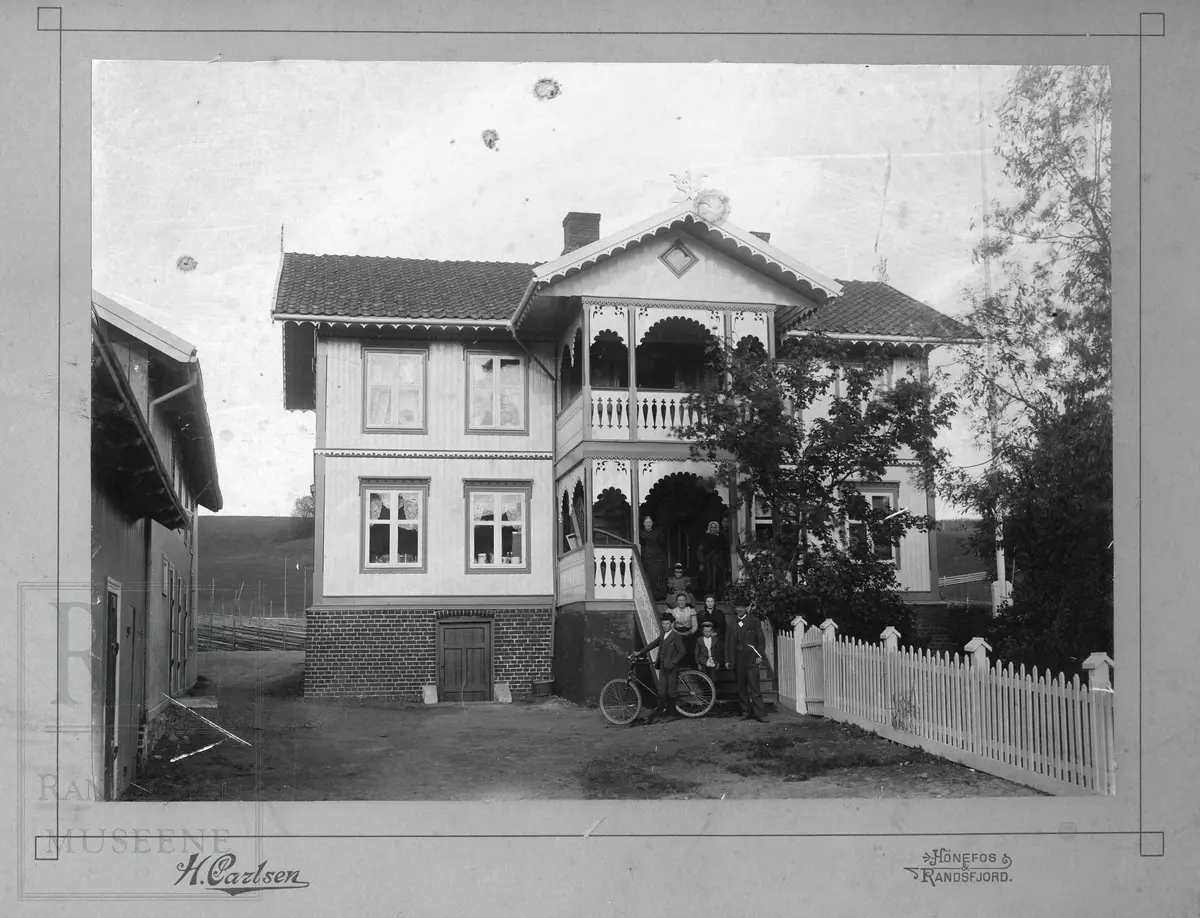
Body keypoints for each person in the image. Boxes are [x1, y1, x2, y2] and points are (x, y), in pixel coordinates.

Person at [633, 610, 689, 723]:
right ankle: (662, 714)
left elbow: (682, 652)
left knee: (671, 691)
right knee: (661, 691)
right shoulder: (663, 634)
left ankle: (673, 714)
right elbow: (653, 644)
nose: (665, 626)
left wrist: (673, 662)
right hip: (663, 666)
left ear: (671, 624)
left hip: (672, 667)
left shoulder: (676, 636)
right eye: (663, 624)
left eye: (667, 623)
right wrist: (640, 652)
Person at [729, 604, 767, 722]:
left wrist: (759, 655)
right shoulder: (732, 622)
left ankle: (759, 713)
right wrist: (728, 659)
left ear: (746, 608)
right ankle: (745, 711)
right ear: (735, 608)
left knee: (754, 686)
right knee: (741, 687)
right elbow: (728, 642)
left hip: (751, 657)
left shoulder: (754, 621)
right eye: (738, 607)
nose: (740, 609)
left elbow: (761, 638)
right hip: (738, 658)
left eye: (742, 607)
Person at [639, 516, 670, 601]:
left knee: (658, 576)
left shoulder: (658, 533)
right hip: (646, 557)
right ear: (643, 524)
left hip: (657, 557)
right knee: (648, 576)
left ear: (652, 523)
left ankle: (658, 596)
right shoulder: (640, 533)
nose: (648, 524)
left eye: (649, 522)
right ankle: (648, 595)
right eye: (646, 522)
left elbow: (662, 544)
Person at [697, 521, 730, 600]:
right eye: (712, 527)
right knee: (708, 579)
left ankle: (718, 596)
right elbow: (700, 550)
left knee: (719, 578)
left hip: (719, 562)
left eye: (715, 527)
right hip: (707, 563)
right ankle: (708, 596)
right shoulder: (705, 538)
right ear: (709, 528)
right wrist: (701, 562)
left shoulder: (722, 537)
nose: (713, 529)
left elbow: (725, 551)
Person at [669, 591, 699, 665]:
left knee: (690, 649)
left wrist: (689, 632)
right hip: (676, 633)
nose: (681, 602)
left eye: (683, 600)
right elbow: (671, 625)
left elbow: (695, 625)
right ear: (677, 601)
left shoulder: (691, 610)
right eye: (679, 600)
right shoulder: (672, 611)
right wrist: (676, 632)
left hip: (688, 633)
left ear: (686, 601)